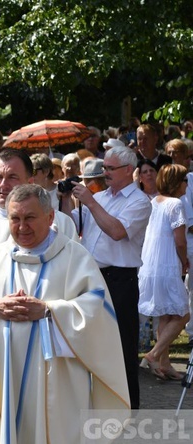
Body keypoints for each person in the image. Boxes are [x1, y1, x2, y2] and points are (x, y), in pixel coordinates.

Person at [0, 184, 129, 444]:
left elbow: (97, 309)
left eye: (30, 218)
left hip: (57, 381)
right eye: (15, 218)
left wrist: (48, 310)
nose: (22, 227)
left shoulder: (74, 258)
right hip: (2, 376)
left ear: (50, 217)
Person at [61, 144, 151, 409]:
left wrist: (88, 200)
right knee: (90, 342)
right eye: (104, 168)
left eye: (110, 168)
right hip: (92, 278)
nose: (105, 173)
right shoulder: (101, 198)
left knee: (122, 348)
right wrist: (66, 200)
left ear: (128, 170)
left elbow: (117, 231)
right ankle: (94, 404)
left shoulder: (138, 201)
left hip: (120, 280)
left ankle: (128, 411)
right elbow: (71, 228)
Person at [138, 164, 190, 380]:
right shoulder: (175, 204)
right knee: (183, 313)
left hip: (150, 265)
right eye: (184, 179)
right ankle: (153, 355)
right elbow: (180, 241)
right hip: (167, 265)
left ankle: (165, 365)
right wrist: (185, 260)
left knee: (166, 316)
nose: (187, 184)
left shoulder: (154, 202)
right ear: (176, 182)